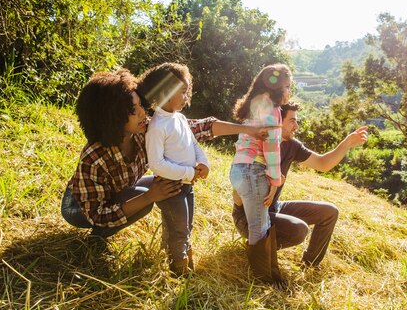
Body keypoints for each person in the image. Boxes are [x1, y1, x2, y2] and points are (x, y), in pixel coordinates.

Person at [61, 68, 275, 267]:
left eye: (141, 106)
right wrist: (148, 197)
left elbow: (198, 128)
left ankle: (173, 244)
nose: (143, 114)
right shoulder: (94, 157)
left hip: (120, 189)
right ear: (112, 117)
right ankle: (97, 238)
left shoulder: (144, 130)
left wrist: (248, 129)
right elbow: (97, 213)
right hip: (82, 208)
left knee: (166, 186)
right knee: (146, 200)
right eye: (133, 111)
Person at [232, 102, 368, 269]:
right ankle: (257, 250)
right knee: (298, 230)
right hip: (248, 217)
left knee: (330, 212)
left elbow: (322, 163)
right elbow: (239, 191)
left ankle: (310, 265)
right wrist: (268, 180)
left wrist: (346, 143)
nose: (296, 126)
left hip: (274, 208)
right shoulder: (255, 144)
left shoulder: (292, 145)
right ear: (277, 120)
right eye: (292, 121)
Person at [139, 63, 208, 276]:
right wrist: (188, 173)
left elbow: (193, 143)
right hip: (170, 187)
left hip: (187, 185)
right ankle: (179, 271)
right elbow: (156, 164)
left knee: (186, 226)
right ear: (166, 93)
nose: (187, 97)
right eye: (183, 92)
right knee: (179, 229)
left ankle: (181, 261)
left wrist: (203, 162)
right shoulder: (158, 127)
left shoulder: (180, 119)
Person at [229, 64, 292, 286]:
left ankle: (270, 274)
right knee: (259, 226)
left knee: (260, 223)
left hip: (238, 169)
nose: (289, 92)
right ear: (276, 88)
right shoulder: (272, 110)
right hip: (254, 171)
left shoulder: (254, 105)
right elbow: (272, 149)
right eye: (287, 86)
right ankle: (261, 281)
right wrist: (275, 182)